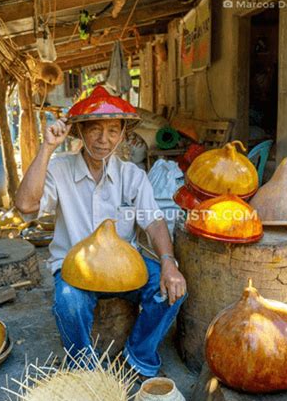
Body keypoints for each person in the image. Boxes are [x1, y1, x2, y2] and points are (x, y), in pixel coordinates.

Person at [16, 86, 187, 380]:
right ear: (80, 131)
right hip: (74, 268)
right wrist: (46, 147)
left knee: (171, 290)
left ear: (122, 133)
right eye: (94, 129)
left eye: (112, 130)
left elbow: (154, 221)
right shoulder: (59, 169)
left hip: (124, 269)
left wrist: (169, 262)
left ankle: (138, 356)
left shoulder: (132, 175)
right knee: (68, 301)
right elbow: (25, 205)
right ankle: (85, 370)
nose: (103, 139)